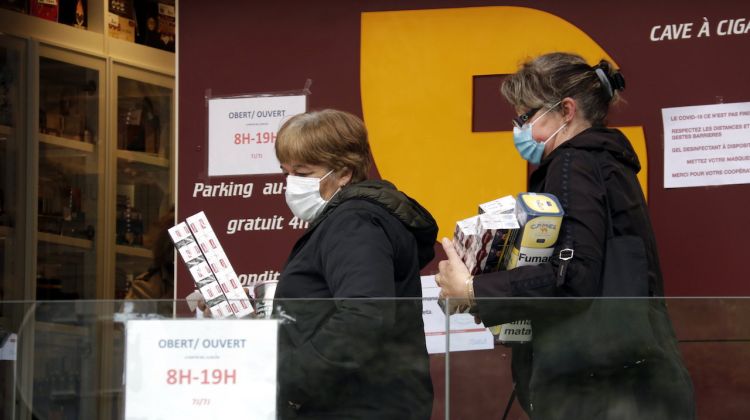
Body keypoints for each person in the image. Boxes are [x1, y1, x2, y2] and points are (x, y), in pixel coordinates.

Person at [436, 53, 695, 419]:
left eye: (526, 115)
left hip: (597, 388)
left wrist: (474, 290)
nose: (519, 127)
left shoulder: (574, 163)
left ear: (567, 110)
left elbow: (573, 276)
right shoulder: (609, 163)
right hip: (634, 381)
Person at [272, 109, 436, 419]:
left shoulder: (355, 222)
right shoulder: (354, 219)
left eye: (303, 173)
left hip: (355, 405)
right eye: (286, 173)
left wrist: (291, 382)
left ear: (344, 173)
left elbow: (363, 314)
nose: (291, 184)